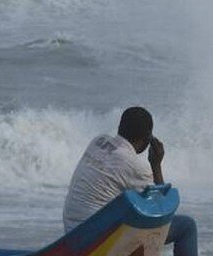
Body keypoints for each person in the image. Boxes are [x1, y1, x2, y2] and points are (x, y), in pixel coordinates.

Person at [63, 106, 197, 256]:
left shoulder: (98, 141)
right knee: (187, 226)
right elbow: (162, 214)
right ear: (148, 138)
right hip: (98, 243)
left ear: (120, 127)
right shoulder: (135, 165)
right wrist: (156, 165)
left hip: (72, 235)